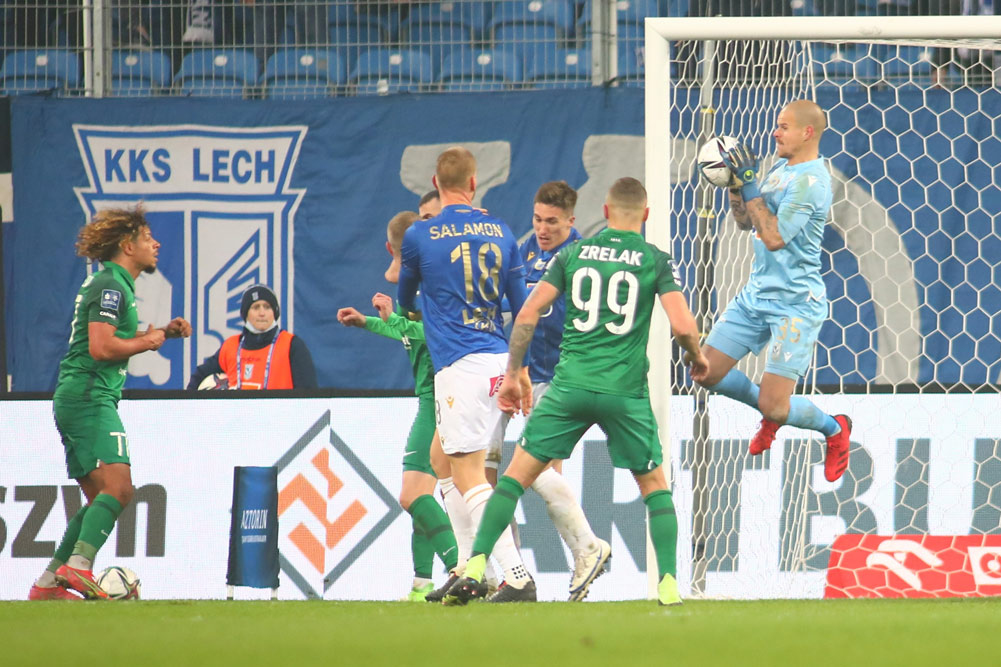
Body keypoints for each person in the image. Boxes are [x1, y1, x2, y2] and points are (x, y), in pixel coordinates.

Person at [442, 178, 709, 607]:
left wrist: (513, 372)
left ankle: (476, 563)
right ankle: (669, 584)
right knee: (655, 485)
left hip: (568, 385)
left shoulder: (573, 254)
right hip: (625, 391)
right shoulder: (656, 259)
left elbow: (527, 312)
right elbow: (682, 326)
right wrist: (696, 356)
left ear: (604, 212)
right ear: (645, 214)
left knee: (513, 479)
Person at [30, 205, 192, 601]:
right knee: (119, 489)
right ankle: (79, 566)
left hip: (77, 395)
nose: (156, 243)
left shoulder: (112, 284)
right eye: (147, 237)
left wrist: (161, 334)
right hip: (89, 396)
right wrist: (148, 342)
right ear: (127, 244)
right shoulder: (110, 286)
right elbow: (102, 347)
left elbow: (107, 338)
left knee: (101, 496)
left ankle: (48, 585)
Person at [398, 146, 538, 602]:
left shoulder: (420, 235)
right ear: (475, 184)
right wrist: (523, 371)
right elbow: (523, 310)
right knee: (442, 461)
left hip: (461, 365)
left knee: (469, 474)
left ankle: (515, 576)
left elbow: (404, 299)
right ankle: (466, 567)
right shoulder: (501, 231)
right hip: (500, 359)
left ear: (437, 185)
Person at [701, 99, 851, 482]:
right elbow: (742, 222)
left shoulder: (812, 182)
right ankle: (770, 412)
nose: (774, 132)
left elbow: (774, 238)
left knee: (776, 406)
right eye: (776, 125)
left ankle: (834, 429)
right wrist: (736, 186)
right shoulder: (781, 169)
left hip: (794, 305)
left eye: (783, 126)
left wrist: (751, 183)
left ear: (808, 133)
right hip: (757, 296)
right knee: (705, 372)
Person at [489, 181, 611, 602]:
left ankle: (585, 548)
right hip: (524, 376)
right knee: (518, 474)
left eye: (552, 222)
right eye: (538, 219)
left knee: (534, 472)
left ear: (571, 221)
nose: (542, 228)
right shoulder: (527, 253)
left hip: (559, 377)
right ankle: (521, 571)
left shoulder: (580, 259)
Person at [337, 210, 461, 602]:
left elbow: (441, 332)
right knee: (425, 493)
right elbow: (416, 335)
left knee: (412, 494)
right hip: (438, 395)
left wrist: (393, 321)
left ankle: (463, 568)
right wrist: (370, 323)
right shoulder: (418, 282)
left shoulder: (436, 285)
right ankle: (422, 582)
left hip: (443, 398)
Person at [187, 284, 317, 390]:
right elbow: (199, 376)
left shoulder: (291, 345)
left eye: (267, 307)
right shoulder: (231, 346)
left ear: (275, 312)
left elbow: (309, 393)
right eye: (255, 307)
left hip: (280, 419)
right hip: (237, 420)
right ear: (245, 314)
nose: (262, 313)